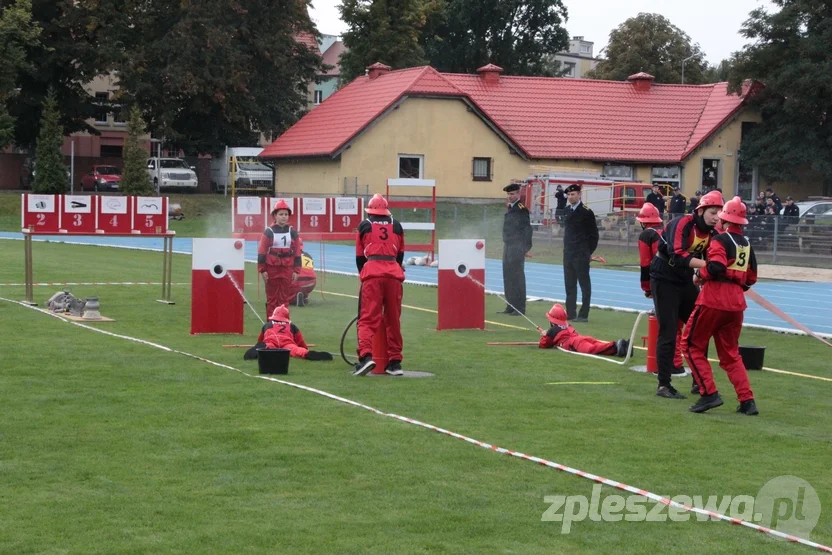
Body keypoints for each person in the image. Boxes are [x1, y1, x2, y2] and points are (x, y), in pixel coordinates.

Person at [683, 197, 759, 415]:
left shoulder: (720, 240)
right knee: (730, 354)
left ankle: (709, 393)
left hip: (714, 299)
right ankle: (747, 401)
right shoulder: (746, 245)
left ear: (725, 220)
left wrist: (700, 274)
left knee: (690, 345)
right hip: (736, 304)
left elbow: (715, 266)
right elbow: (751, 278)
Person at [650, 190, 724, 399]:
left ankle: (699, 381)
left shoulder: (713, 234)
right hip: (664, 276)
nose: (716, 217)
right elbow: (679, 254)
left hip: (684, 278)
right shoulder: (682, 223)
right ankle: (663, 384)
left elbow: (715, 259)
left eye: (719, 213)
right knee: (668, 330)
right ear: (700, 211)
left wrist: (705, 272)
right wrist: (709, 266)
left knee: (699, 327)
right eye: (712, 212)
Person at [353, 194, 406, 376]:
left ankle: (366, 358)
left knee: (367, 319)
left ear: (370, 210)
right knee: (393, 319)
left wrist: (365, 274)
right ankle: (395, 363)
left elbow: (360, 256)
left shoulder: (365, 225)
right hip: (394, 275)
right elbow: (400, 254)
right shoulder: (397, 225)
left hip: (373, 274)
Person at [636, 204, 685, 372]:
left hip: (662, 281)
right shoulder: (665, 232)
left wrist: (647, 287)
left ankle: (670, 364)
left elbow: (645, 263)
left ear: (643, 221)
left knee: (666, 326)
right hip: (680, 279)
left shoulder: (646, 235)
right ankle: (678, 363)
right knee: (678, 324)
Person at [258, 200, 301, 317]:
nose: (284, 217)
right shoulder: (269, 232)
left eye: (286, 214)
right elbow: (261, 251)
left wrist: (297, 270)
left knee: (284, 299)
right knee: (272, 298)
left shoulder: (292, 232)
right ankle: (270, 326)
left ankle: (283, 323)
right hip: (272, 268)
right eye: (281, 214)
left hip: (287, 268)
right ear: (275, 216)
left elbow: (297, 252)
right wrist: (263, 270)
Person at [562, 183, 599, 322]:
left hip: (581, 253)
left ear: (579, 195)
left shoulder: (586, 212)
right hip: (568, 253)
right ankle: (571, 313)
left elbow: (594, 235)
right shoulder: (567, 210)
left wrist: (588, 251)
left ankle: (584, 314)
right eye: (569, 195)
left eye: (573, 194)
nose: (570, 197)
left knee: (584, 285)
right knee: (569, 284)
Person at [244, 305, 332, 361]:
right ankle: (307, 354)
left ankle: (259, 351)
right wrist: (305, 348)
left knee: (266, 347)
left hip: (271, 342)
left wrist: (259, 345)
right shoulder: (292, 326)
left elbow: (260, 340)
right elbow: (300, 341)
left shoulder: (268, 324)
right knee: (296, 350)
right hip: (287, 344)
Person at [539, 303, 630, 357]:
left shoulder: (552, 331)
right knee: (597, 344)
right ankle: (623, 346)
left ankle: (616, 346)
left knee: (592, 349)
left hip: (574, 343)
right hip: (580, 338)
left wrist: (545, 335)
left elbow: (544, 344)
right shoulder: (567, 326)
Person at [499, 183, 533, 316]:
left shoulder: (521, 209)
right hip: (508, 245)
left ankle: (519, 307)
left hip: (517, 246)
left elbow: (527, 230)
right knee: (508, 277)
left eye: (512, 194)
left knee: (517, 277)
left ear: (518, 194)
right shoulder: (511, 208)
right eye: (508, 194)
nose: (510, 196)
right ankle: (510, 305)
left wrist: (524, 248)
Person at [291, 238, 317, 306]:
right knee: (304, 287)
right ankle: (304, 296)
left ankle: (293, 299)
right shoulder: (308, 256)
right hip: (312, 281)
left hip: (298, 280)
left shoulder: (290, 255)